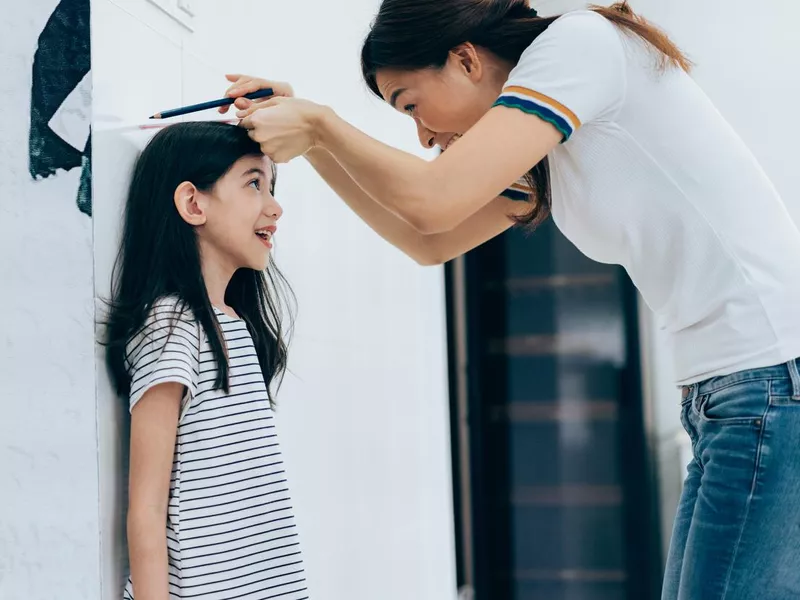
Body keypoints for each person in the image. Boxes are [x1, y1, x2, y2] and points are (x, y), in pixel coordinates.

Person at [222, 0, 800, 598]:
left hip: (769, 377)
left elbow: (433, 199)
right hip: (736, 391)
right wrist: (315, 145)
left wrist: (321, 125)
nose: (423, 136)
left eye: (411, 105)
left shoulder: (580, 46)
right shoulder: (550, 139)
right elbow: (429, 240)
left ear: (465, 59)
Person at [104, 122, 309, 600]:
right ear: (193, 203)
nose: (274, 208)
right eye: (254, 183)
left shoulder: (234, 323)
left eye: (271, 186)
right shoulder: (171, 326)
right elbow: (148, 508)